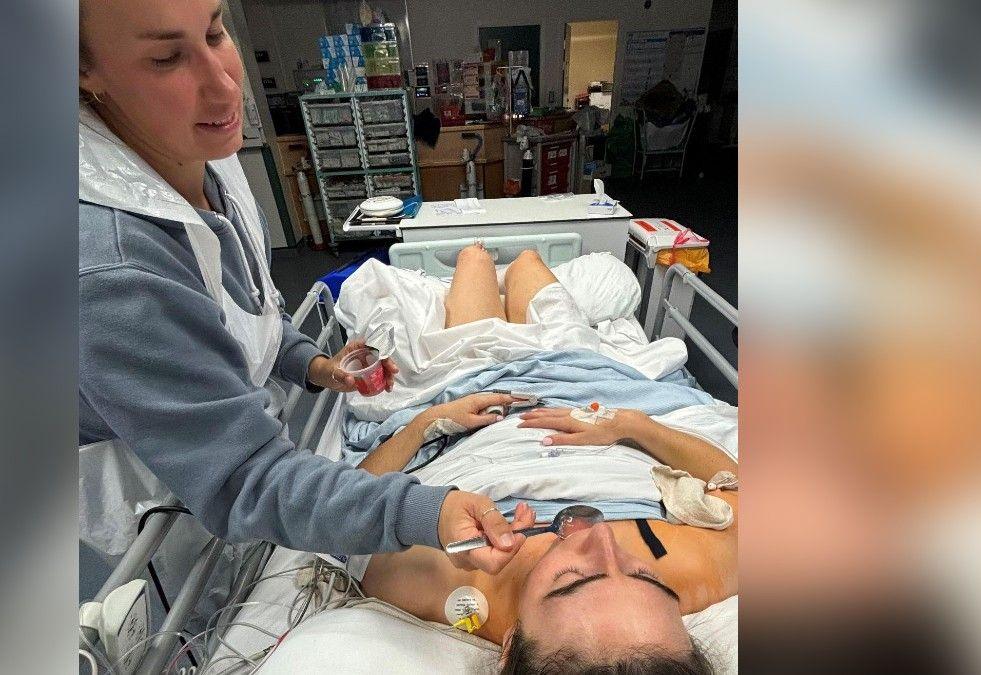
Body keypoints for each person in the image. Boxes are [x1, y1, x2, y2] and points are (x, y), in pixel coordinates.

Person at [76, 0, 526, 598]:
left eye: (215, 32)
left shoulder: (203, 159)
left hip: (243, 466)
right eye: (165, 58)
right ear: (83, 71)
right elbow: (243, 478)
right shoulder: (112, 269)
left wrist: (316, 365)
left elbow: (250, 308)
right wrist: (423, 512)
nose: (223, 83)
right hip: (156, 511)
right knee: (189, 624)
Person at [346, 247, 736, 674]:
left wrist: (430, 421)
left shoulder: (437, 580)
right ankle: (508, 273)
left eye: (571, 581)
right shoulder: (703, 571)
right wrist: (632, 425)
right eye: (649, 578)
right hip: (585, 378)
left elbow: (349, 501)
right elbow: (735, 479)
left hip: (474, 377)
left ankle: (474, 272)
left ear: (510, 647)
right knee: (528, 261)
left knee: (473, 259)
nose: (603, 537)